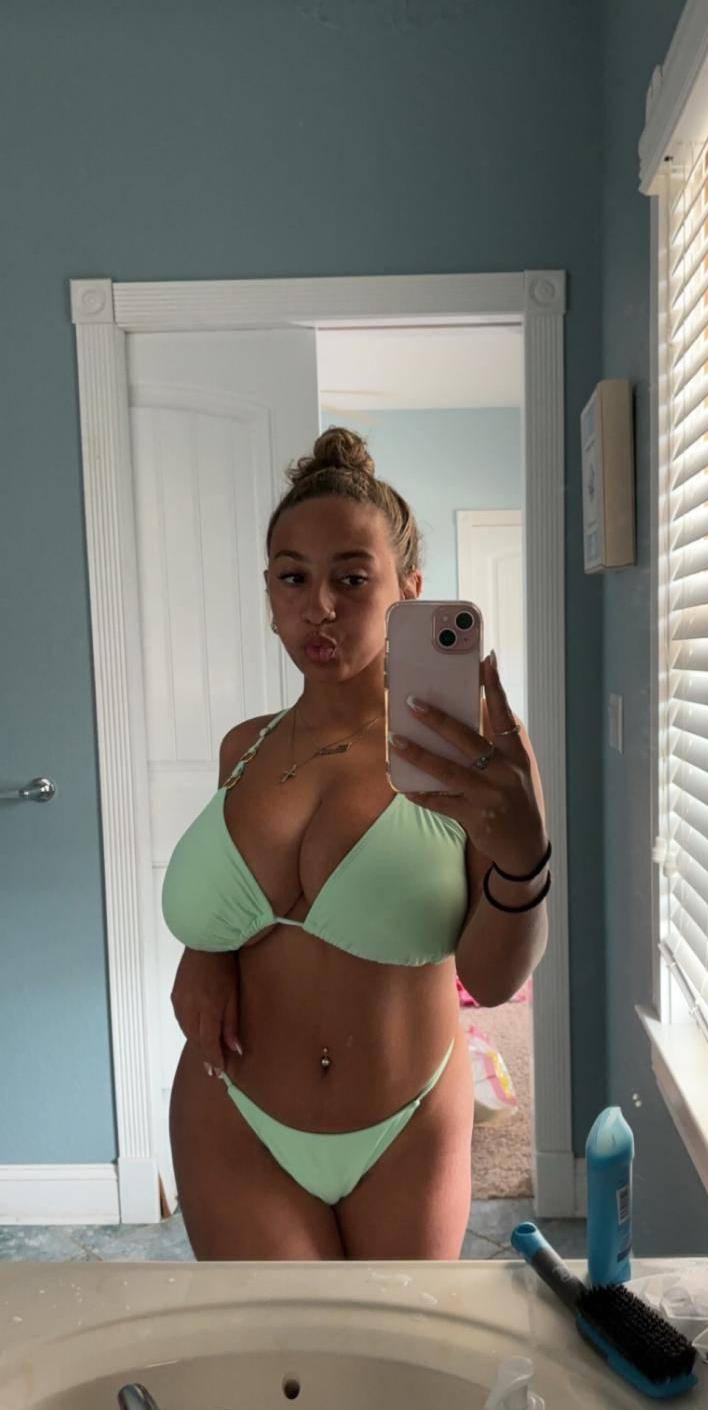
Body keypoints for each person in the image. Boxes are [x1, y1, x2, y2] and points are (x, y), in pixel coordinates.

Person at [165, 427, 551, 1260]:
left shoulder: (473, 752)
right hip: (233, 1115)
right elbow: (230, 901)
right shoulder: (243, 748)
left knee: (392, 1346)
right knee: (274, 1346)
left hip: (406, 1124)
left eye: (351, 577)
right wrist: (207, 948)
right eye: (293, 577)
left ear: (409, 590)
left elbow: (492, 978)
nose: (320, 605)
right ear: (270, 593)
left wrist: (526, 860)